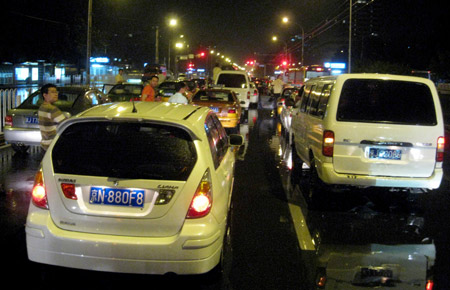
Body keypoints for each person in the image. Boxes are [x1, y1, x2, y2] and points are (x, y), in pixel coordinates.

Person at [38, 84, 67, 151]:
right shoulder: (52, 109)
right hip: (54, 144)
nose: (56, 94)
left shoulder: (41, 107)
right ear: (45, 95)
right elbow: (65, 124)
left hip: (45, 143)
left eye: (56, 92)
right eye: (53, 92)